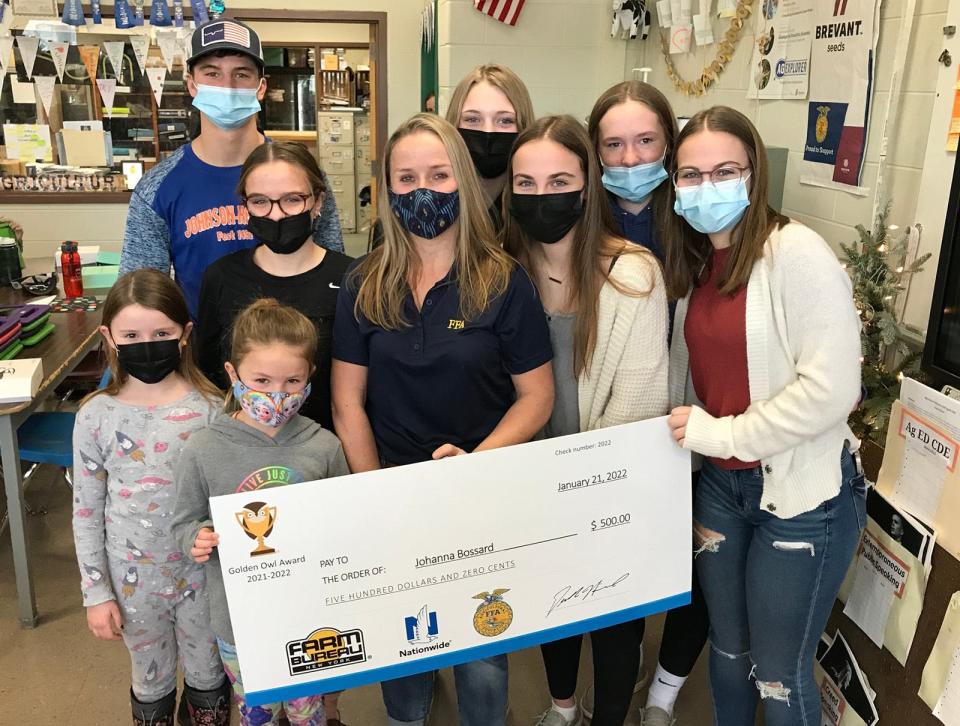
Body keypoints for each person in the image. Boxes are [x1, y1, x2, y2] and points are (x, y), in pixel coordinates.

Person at [331, 113, 554, 726]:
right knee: (405, 646)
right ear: (388, 188)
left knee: (482, 648)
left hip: (477, 493)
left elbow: (536, 396)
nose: (421, 189)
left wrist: (474, 467)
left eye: (438, 173)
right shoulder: (363, 283)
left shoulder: (504, 282)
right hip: (392, 491)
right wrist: (374, 486)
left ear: (462, 179)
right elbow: (347, 398)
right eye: (405, 177)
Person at [664, 105, 865, 726]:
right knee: (727, 651)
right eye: (691, 175)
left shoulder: (794, 253)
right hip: (721, 488)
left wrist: (719, 434)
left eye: (725, 170)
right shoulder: (697, 263)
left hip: (799, 494)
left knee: (778, 675)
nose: (707, 187)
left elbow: (833, 391)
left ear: (755, 174)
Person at [502, 115, 668, 726]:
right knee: (555, 607)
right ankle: (563, 707)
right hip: (532, 484)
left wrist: (580, 488)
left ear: (588, 182)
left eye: (560, 180)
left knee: (617, 622)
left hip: (610, 485)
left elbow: (638, 404)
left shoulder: (634, 274)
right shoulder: (501, 275)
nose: (542, 197)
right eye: (527, 183)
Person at [588, 80, 707, 726]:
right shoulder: (585, 221)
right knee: (622, 572)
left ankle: (663, 693)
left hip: (695, 430)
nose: (631, 160)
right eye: (614, 145)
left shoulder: (698, 220)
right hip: (618, 434)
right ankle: (627, 660)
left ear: (670, 143)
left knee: (697, 573)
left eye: (646, 142)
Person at [173, 299, 349, 726]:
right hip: (239, 620)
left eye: (292, 381)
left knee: (308, 713)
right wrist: (195, 539)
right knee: (258, 713)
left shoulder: (323, 445)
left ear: (310, 379)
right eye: (262, 380)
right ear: (233, 375)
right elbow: (184, 520)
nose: (277, 394)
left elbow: (345, 519)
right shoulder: (203, 447)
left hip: (308, 616)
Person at [72, 268, 228, 726]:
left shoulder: (213, 409)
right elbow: (85, 512)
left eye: (162, 332)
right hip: (132, 583)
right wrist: (96, 593)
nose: (148, 343)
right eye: (132, 334)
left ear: (185, 335)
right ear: (109, 336)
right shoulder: (96, 416)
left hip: (203, 578)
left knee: (208, 674)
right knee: (151, 680)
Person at [119, 18, 344, 320]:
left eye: (242, 74)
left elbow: (334, 272)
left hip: (301, 355)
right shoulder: (157, 188)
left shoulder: (303, 175)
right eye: (212, 73)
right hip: (204, 357)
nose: (227, 86)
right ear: (191, 85)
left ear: (261, 87)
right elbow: (141, 297)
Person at [196, 142, 352, 431]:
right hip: (246, 453)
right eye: (260, 201)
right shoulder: (220, 277)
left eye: (292, 199)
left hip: (333, 453)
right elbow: (206, 377)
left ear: (317, 202)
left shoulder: (353, 278)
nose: (277, 215)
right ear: (245, 205)